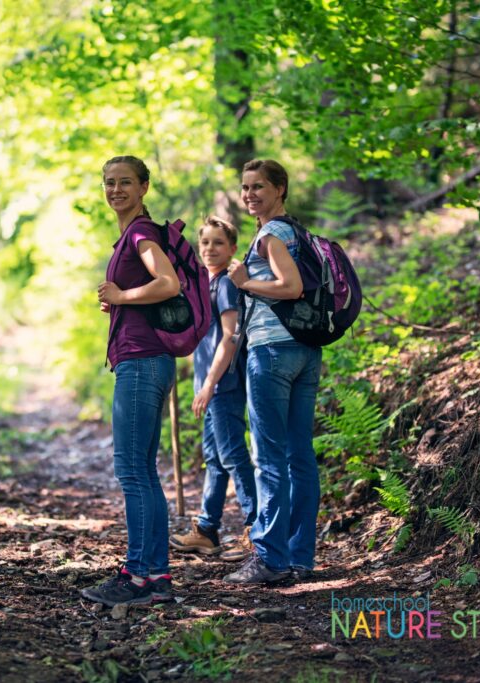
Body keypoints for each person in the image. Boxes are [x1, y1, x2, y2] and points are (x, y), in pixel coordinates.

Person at [80, 156, 180, 607]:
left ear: (143, 187)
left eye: (125, 182)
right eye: (109, 182)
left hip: (142, 362)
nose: (115, 189)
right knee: (142, 470)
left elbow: (169, 283)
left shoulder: (141, 233)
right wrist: (122, 304)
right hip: (144, 360)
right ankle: (153, 574)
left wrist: (123, 295)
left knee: (133, 470)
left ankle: (139, 575)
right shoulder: (130, 234)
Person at [224, 160, 322, 584]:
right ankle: (300, 556)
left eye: (259, 187)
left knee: (269, 458)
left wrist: (245, 282)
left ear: (280, 188)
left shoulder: (271, 235)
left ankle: (270, 558)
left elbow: (292, 287)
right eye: (245, 188)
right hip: (305, 349)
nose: (250, 195)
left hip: (272, 351)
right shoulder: (298, 232)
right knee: (300, 456)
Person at [170, 216, 257, 561]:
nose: (210, 249)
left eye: (218, 243)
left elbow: (230, 337)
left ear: (232, 248)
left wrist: (209, 384)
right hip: (208, 385)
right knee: (215, 460)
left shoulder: (225, 285)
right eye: (204, 242)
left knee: (234, 457)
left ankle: (256, 529)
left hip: (224, 384)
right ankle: (207, 530)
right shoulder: (204, 284)